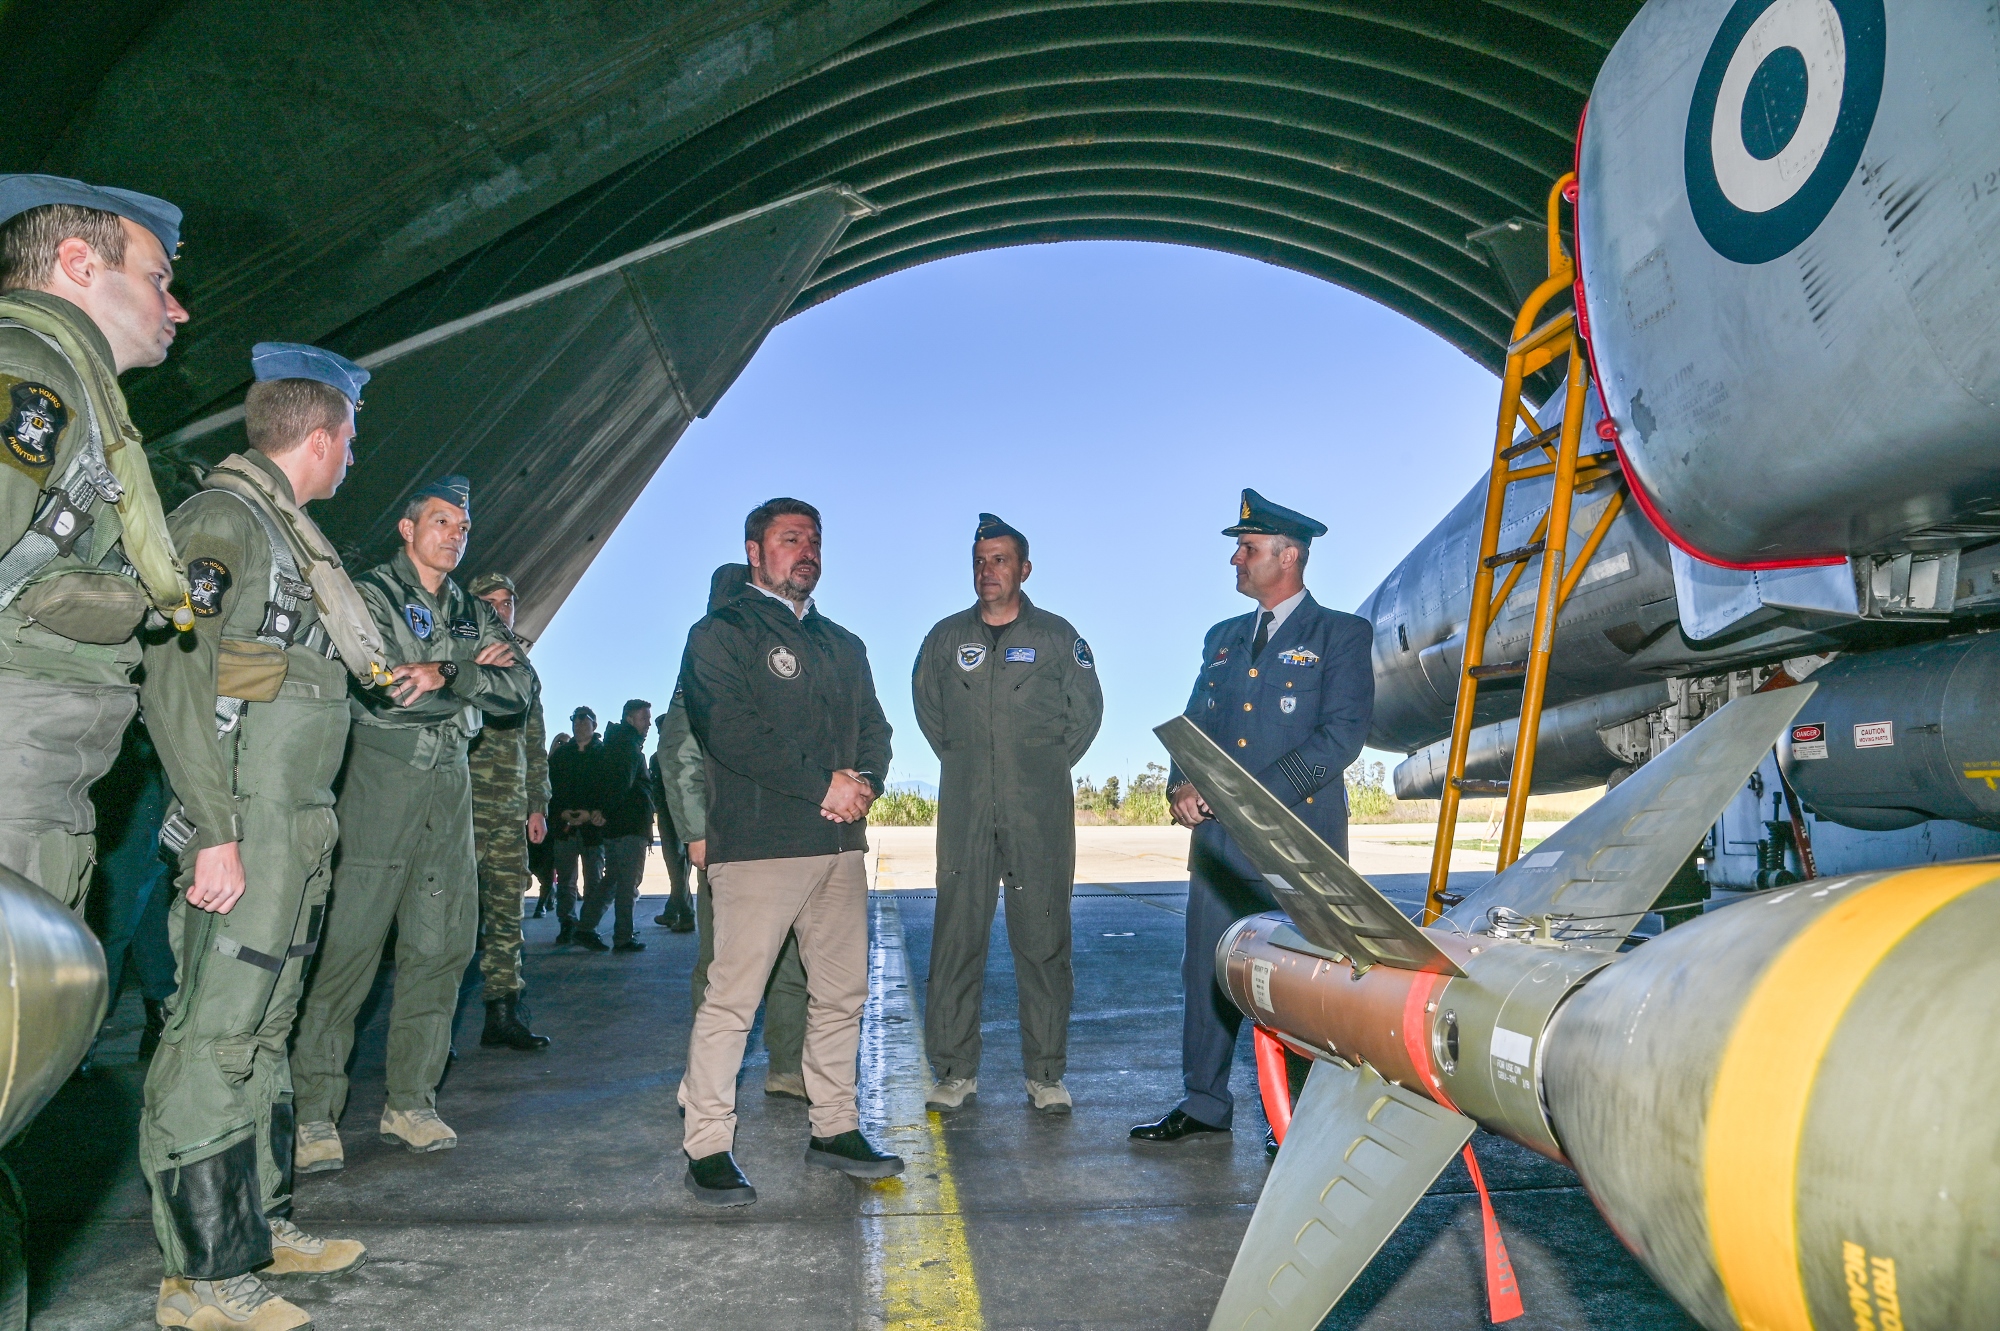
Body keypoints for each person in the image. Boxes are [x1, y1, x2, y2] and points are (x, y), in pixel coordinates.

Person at [139, 342, 388, 1330]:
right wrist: (211, 826)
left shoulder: (292, 542)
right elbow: (174, 676)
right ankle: (200, 1278)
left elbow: (250, 669)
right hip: (241, 821)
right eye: (350, 442)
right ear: (319, 439)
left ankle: (259, 1222)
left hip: (296, 819)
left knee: (267, 1029)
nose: (353, 461)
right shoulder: (221, 520)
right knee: (215, 1033)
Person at [290, 475, 534, 1167]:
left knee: (442, 946)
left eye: (462, 524)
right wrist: (456, 675)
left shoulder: (466, 608)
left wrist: (447, 674)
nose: (454, 534)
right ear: (408, 527)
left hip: (450, 784)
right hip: (381, 776)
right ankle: (313, 1112)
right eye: (440, 521)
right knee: (351, 948)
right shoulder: (369, 593)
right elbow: (385, 685)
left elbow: (521, 687)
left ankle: (411, 1101)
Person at [1131, 490, 1373, 1149]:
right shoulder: (1222, 640)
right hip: (1219, 849)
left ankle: (1293, 1115)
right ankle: (1205, 1101)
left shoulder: (1342, 636)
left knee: (1298, 978)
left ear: (1289, 556)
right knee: (1206, 970)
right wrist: (1184, 783)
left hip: (1298, 843)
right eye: (1238, 548)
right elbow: (1196, 729)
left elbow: (1341, 737)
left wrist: (1251, 798)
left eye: (1248, 548)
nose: (1236, 559)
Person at [678, 499, 900, 1205]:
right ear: (754, 551)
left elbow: (877, 728)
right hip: (760, 846)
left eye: (814, 539)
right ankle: (708, 1142)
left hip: (838, 848)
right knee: (733, 1000)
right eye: (789, 539)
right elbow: (728, 730)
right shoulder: (721, 632)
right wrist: (819, 785)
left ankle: (834, 1127)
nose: (805, 550)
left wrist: (863, 784)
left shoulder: (845, 644)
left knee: (841, 995)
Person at [0, 175, 193, 913]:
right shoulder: (31, 373)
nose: (177, 308)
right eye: (158, 278)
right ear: (80, 263)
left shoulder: (72, 387)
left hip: (44, 778)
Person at [912, 513, 1102, 1114]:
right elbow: (930, 713)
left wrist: (1036, 768)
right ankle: (953, 1070)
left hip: (1038, 810)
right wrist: (972, 764)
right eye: (978, 560)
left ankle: (1045, 1073)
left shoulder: (1056, 637)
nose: (987, 571)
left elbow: (1085, 715)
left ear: (1023, 568)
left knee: (1044, 939)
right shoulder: (944, 639)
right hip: (965, 808)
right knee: (955, 938)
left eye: (999, 560)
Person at [667, 563, 809, 1101]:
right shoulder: (704, 663)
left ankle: (788, 1065)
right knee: (723, 965)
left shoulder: (789, 660)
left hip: (788, 833)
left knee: (793, 956)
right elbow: (677, 751)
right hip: (728, 835)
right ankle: (707, 1078)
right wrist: (696, 832)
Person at [465, 571, 552, 1050]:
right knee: (452, 917)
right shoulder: (455, 652)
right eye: (489, 602)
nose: (500, 610)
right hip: (461, 803)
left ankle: (502, 1014)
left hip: (508, 810)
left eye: (507, 602)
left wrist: (537, 804)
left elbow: (534, 742)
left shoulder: (523, 668)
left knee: (505, 915)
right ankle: (435, 1025)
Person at [575, 698, 652, 953]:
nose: (648, 723)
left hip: (616, 825)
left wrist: (602, 811)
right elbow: (622, 783)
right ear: (630, 719)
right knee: (627, 884)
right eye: (644, 718)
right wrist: (604, 810)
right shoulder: (628, 746)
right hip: (629, 826)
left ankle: (585, 928)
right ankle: (623, 937)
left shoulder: (615, 744)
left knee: (613, 881)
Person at [548, 706, 605, 943]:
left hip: (593, 829)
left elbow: (609, 788)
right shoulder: (561, 756)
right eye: (575, 720)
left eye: (585, 720)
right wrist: (561, 814)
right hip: (565, 828)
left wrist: (591, 813)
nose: (579, 724)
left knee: (594, 880)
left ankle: (587, 927)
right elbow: (550, 789)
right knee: (566, 881)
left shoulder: (603, 754)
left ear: (594, 725)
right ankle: (567, 923)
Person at [648, 715, 695, 933]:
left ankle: (685, 915)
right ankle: (673, 911)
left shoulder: (661, 756)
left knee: (677, 867)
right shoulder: (660, 756)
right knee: (679, 868)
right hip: (676, 814)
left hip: (674, 814)